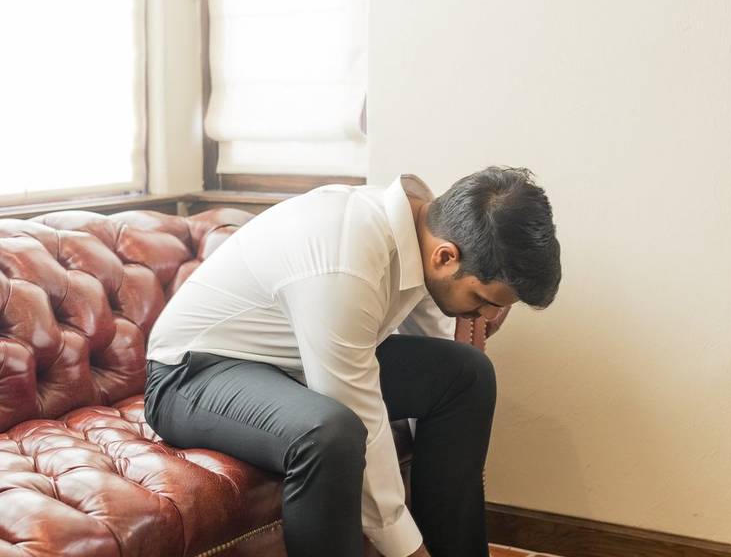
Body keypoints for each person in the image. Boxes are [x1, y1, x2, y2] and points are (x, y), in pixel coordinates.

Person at [143, 166, 561, 557]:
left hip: (293, 364)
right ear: (446, 258)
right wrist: (408, 549)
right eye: (483, 301)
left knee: (466, 374)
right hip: (192, 374)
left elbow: (433, 350)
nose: (487, 318)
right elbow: (356, 410)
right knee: (331, 433)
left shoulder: (422, 233)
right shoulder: (346, 260)